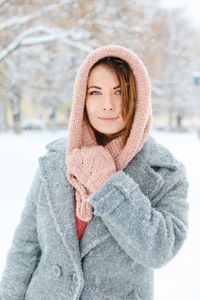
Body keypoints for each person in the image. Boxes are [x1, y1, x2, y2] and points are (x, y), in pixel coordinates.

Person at [0, 45, 189, 300]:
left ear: (137, 97)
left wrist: (108, 184)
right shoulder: (56, 159)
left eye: (119, 91)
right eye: (95, 92)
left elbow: (159, 250)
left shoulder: (164, 171)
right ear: (82, 98)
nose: (108, 105)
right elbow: (25, 245)